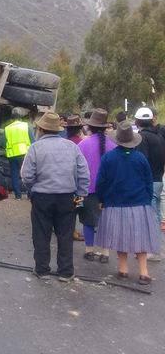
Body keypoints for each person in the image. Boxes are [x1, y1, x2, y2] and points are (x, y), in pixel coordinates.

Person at [21, 111, 90, 282]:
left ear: (42, 129)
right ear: (58, 129)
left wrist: (32, 189)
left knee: (41, 233)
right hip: (68, 197)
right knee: (65, 234)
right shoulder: (72, 147)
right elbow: (84, 173)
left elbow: (26, 176)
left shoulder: (35, 148)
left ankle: (42, 269)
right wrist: (80, 196)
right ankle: (66, 272)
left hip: (42, 197)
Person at [95, 121, 161, 285]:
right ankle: (144, 273)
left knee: (120, 238)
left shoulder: (108, 158)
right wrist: (146, 200)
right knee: (141, 239)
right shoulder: (140, 158)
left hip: (115, 204)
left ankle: (123, 269)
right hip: (139, 204)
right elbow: (148, 181)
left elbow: (101, 182)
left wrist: (102, 199)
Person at [77, 108, 115, 262]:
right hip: (109, 191)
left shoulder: (83, 144)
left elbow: (77, 168)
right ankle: (105, 253)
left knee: (88, 220)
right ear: (105, 127)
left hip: (88, 189)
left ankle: (89, 250)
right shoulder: (114, 145)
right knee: (106, 222)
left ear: (90, 127)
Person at [134, 106, 165, 261]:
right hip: (158, 178)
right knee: (157, 214)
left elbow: (142, 161)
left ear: (138, 121)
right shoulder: (158, 136)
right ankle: (156, 248)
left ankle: (151, 250)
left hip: (148, 181)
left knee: (150, 216)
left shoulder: (142, 138)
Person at [4, 107, 34, 200]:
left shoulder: (7, 128)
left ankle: (18, 195)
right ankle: (29, 195)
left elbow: (3, 142)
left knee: (14, 174)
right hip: (25, 153)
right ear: (21, 117)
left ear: (12, 117)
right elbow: (32, 140)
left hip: (12, 154)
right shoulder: (26, 126)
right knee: (28, 174)